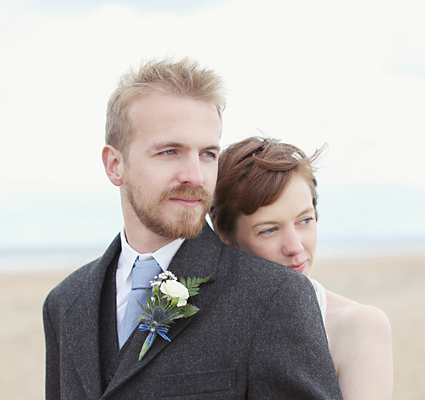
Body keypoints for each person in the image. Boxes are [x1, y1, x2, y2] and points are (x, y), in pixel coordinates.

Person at [43, 58, 343, 399]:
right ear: (115, 165)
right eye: (170, 152)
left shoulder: (276, 298)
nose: (195, 176)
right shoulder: (64, 303)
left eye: (207, 154)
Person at [210, 136, 394, 399]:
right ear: (226, 237)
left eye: (305, 220)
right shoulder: (206, 321)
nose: (295, 246)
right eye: (269, 230)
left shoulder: (358, 326)